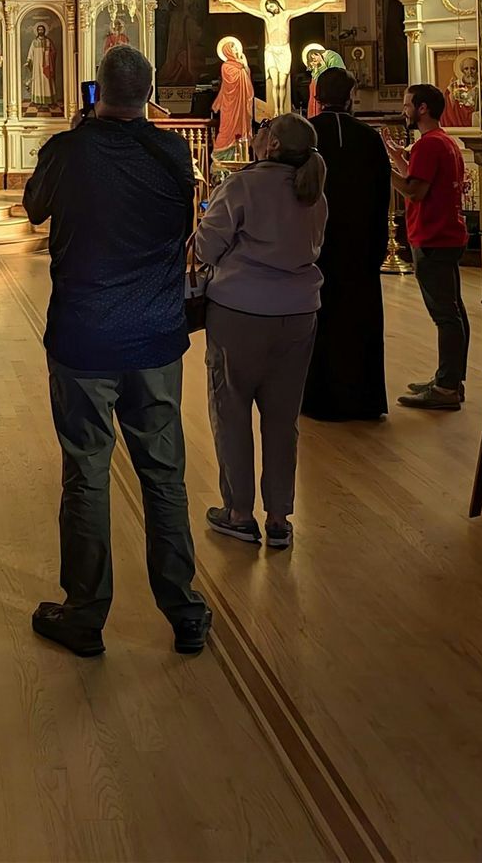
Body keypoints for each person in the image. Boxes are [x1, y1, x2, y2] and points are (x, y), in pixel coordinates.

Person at [22, 46, 212, 659]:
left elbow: (33, 209)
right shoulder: (173, 152)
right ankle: (184, 612)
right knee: (164, 476)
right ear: (149, 91)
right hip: (155, 337)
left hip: (83, 339)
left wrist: (77, 139)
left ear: (97, 91)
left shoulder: (69, 151)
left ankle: (85, 613)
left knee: (86, 474)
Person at [195, 113, 327, 549]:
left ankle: (237, 511)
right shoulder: (314, 192)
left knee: (231, 410)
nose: (258, 133)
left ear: (271, 146)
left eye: (264, 130)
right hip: (299, 313)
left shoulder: (243, 185)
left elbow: (206, 246)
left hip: (240, 312)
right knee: (282, 417)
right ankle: (278, 517)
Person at [302, 69, 390, 421]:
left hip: (317, 247)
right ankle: (364, 399)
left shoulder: (307, 136)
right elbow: (382, 196)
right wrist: (378, 243)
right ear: (351, 94)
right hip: (360, 244)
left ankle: (319, 401)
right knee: (359, 320)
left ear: (318, 96)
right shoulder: (368, 137)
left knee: (321, 320)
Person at [382, 84, 470, 410]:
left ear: (421, 109)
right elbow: (419, 180)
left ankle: (446, 388)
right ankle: (450, 379)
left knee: (446, 316)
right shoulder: (442, 142)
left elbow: (413, 192)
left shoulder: (428, 146)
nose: (403, 110)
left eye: (407, 105)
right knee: (454, 312)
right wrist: (395, 156)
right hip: (447, 236)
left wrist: (384, 170)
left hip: (433, 238)